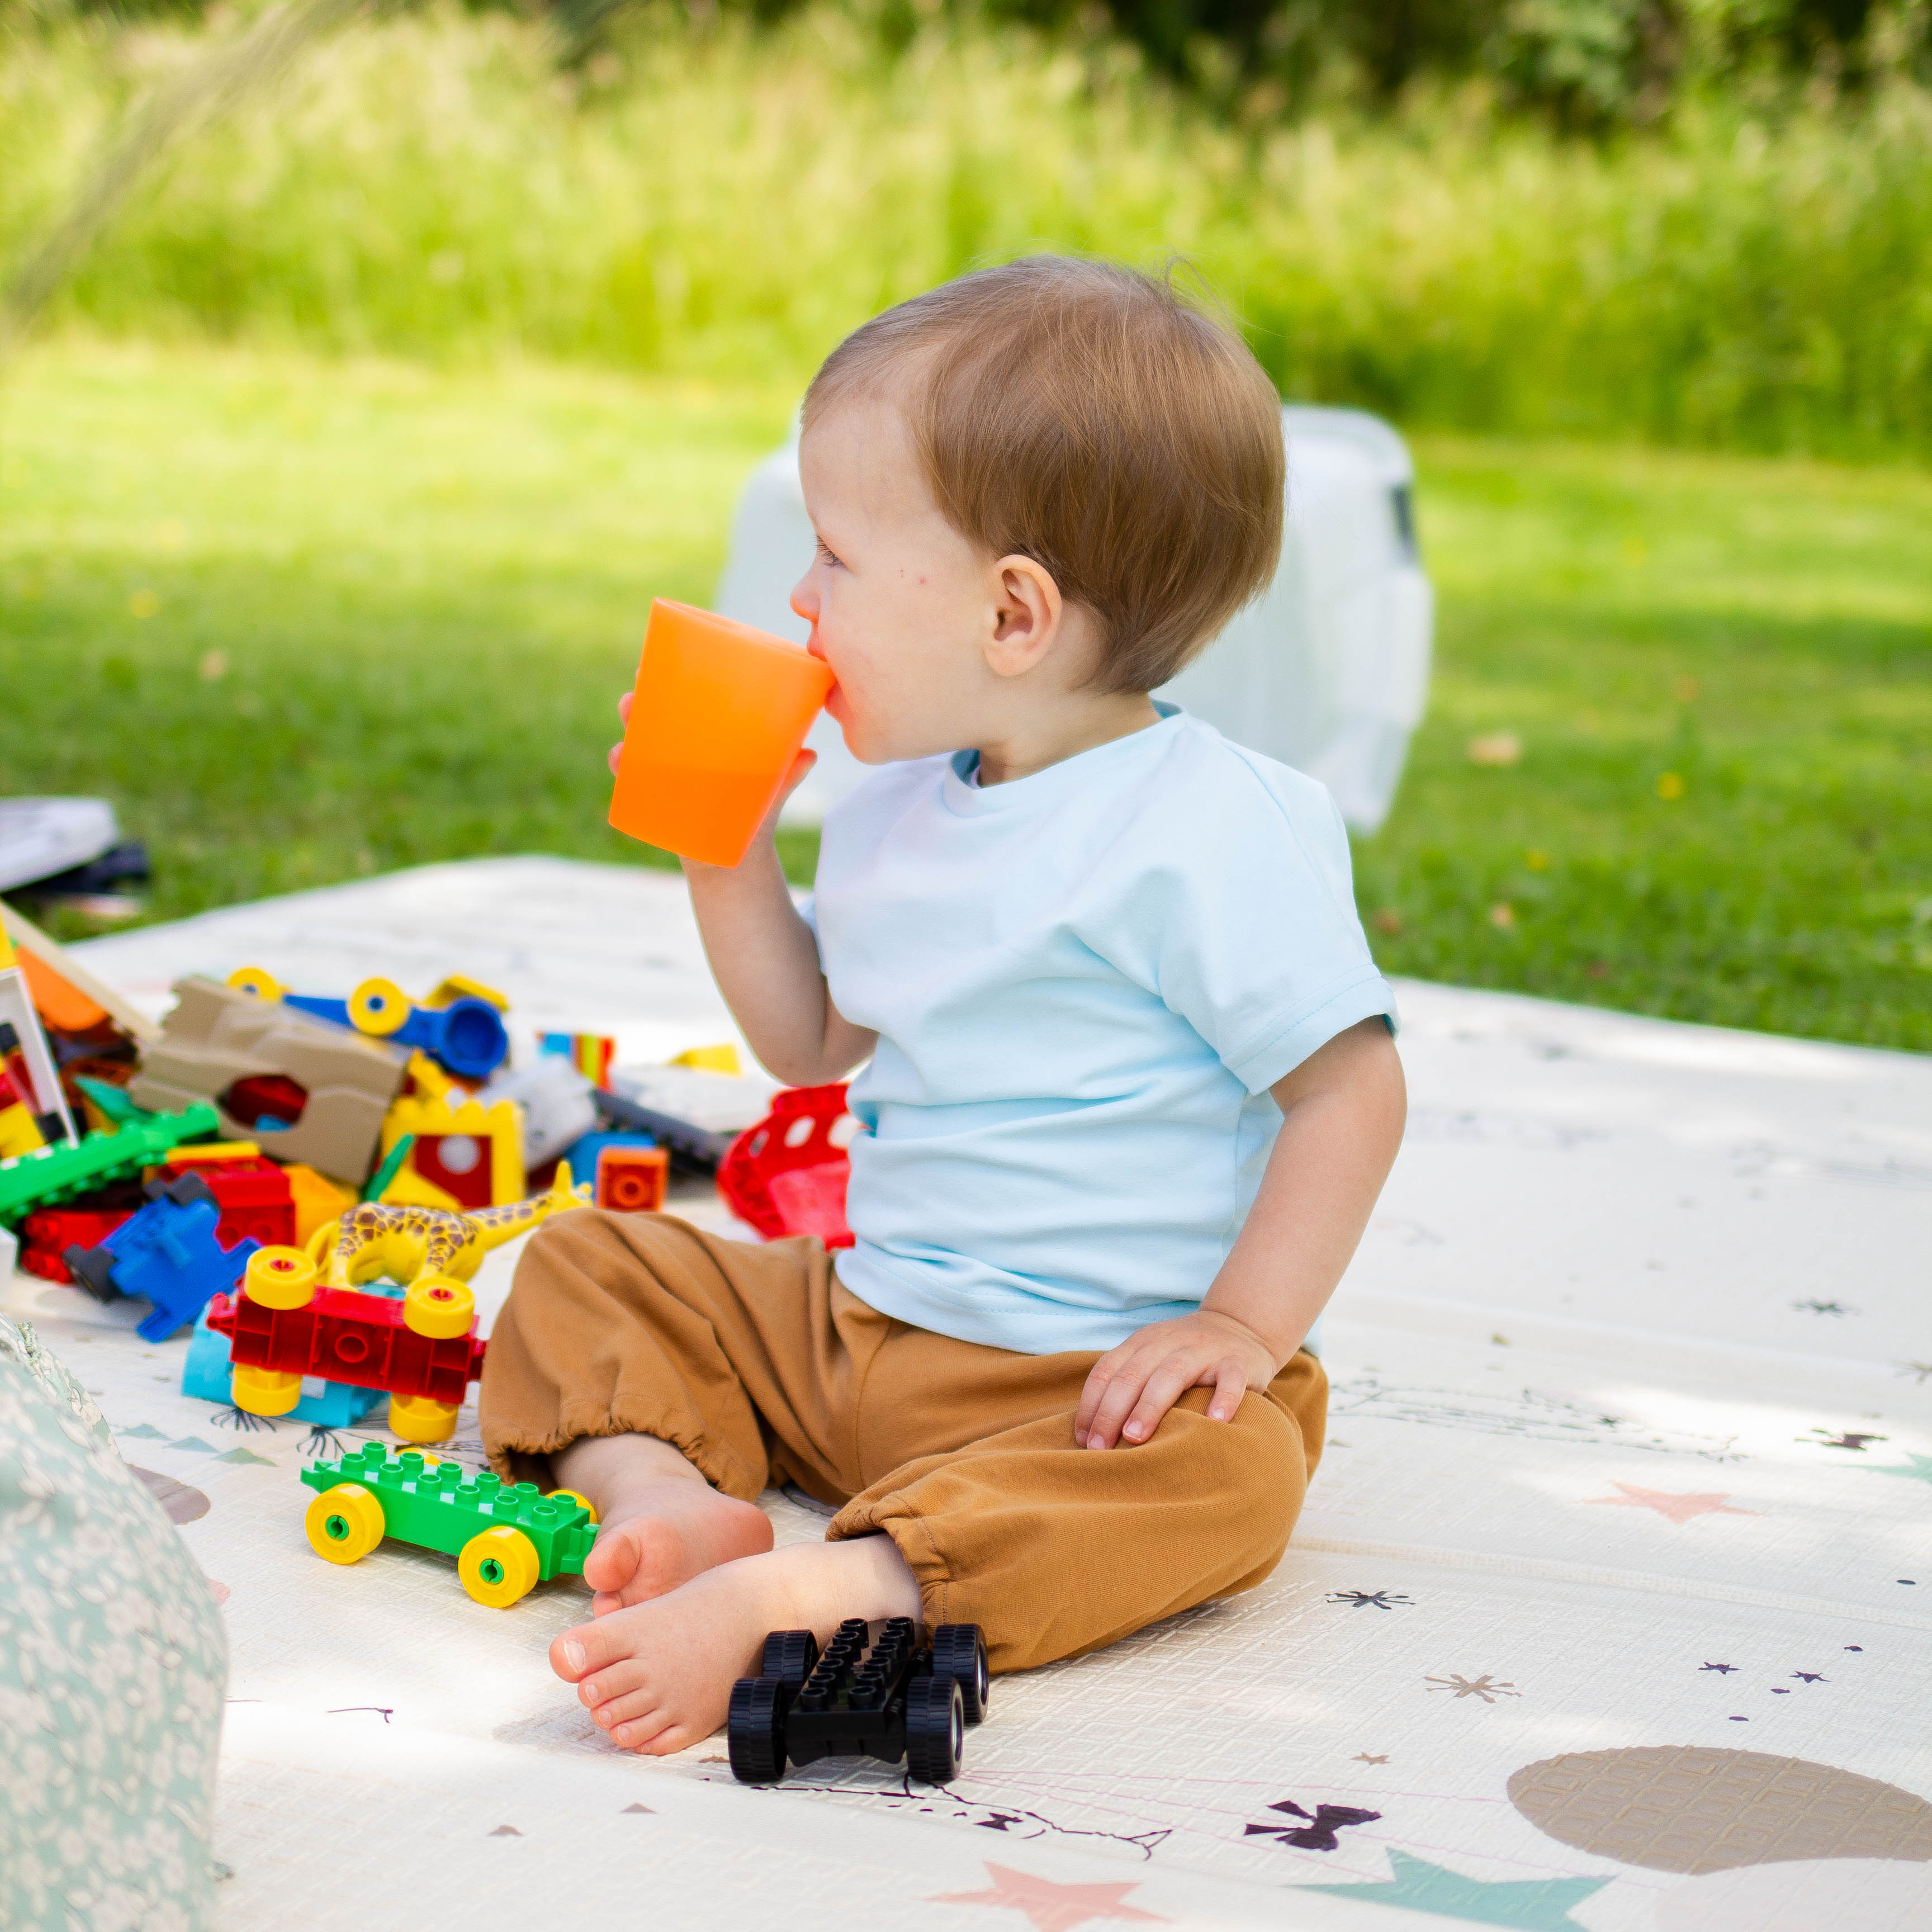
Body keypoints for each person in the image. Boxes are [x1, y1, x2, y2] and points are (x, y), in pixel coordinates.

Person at [479, 256, 1407, 1756]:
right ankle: (672, 1501)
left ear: (1014, 613)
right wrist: (726, 861)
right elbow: (811, 1044)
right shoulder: (899, 797)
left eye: (835, 558)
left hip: (1086, 1389)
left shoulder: (1210, 830)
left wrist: (1238, 1322)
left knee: (1234, 1475)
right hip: (866, 1331)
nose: (798, 597)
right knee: (592, 1264)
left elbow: (1349, 1091)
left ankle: (840, 1586)